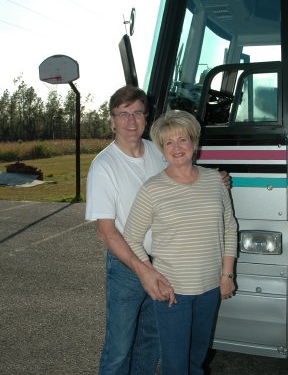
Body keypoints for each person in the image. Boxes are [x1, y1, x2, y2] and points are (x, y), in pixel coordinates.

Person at [85, 86, 230, 375]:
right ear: (112, 121)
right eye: (122, 114)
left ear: (146, 117)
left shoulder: (156, 150)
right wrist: (143, 269)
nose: (131, 121)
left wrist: (217, 178)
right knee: (119, 347)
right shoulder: (104, 165)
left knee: (151, 342)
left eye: (137, 112)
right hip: (128, 266)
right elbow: (106, 232)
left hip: (164, 263)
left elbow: (182, 174)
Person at [123, 109, 237, 375]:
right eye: (168, 142)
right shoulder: (152, 189)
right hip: (173, 293)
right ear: (162, 150)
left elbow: (229, 227)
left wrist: (226, 275)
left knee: (196, 362)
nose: (177, 147)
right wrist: (151, 276)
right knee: (175, 367)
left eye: (182, 139)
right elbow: (131, 237)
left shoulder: (214, 180)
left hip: (210, 289)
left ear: (194, 143)